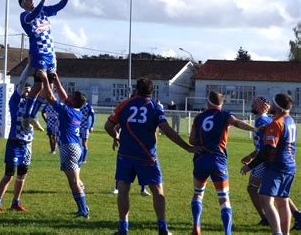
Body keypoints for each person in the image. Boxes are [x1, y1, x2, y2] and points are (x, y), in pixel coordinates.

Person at [104, 77, 197, 235]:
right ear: (151, 91)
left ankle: (123, 228)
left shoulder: (125, 104)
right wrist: (186, 147)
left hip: (126, 155)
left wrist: (117, 137)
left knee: (124, 188)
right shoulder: (154, 106)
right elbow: (167, 130)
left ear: (136, 89)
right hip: (147, 156)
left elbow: (108, 126)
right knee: (157, 191)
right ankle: (162, 228)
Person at [190, 91, 256, 235]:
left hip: (201, 160)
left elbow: (192, 140)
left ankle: (196, 227)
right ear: (222, 104)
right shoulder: (224, 115)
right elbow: (237, 122)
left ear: (207, 102)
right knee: (224, 198)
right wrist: (255, 129)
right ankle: (227, 232)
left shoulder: (199, 117)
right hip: (218, 160)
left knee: (198, 194)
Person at [18, 0, 75, 131]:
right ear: (23, 5)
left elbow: (57, 7)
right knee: (42, 80)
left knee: (41, 85)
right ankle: (30, 115)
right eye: (27, 0)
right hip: (39, 52)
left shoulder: (43, 11)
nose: (31, 0)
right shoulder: (25, 15)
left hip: (51, 53)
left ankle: (29, 115)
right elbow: (33, 15)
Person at [241, 93, 297, 235]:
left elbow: (267, 150)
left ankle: (277, 232)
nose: (270, 106)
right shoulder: (290, 120)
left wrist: (250, 165)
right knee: (283, 201)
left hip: (276, 166)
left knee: (266, 200)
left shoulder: (276, 123)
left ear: (277, 107)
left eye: (272, 104)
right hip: (290, 166)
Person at [40, 72, 89, 218]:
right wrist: (56, 80)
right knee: (77, 180)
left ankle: (83, 210)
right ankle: (83, 207)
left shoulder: (67, 111)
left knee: (73, 181)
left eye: (71, 97)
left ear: (73, 102)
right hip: (77, 147)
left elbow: (50, 97)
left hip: (69, 147)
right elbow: (64, 97)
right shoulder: (77, 111)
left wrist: (44, 80)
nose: (68, 97)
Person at [0, 64, 34, 214]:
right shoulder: (15, 102)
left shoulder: (32, 105)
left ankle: (16, 202)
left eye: (29, 92)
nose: (27, 94)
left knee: (22, 175)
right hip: (14, 142)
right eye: (25, 91)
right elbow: (22, 81)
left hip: (28, 145)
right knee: (9, 175)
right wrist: (29, 66)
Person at [240, 96, 272, 225]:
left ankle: (266, 218)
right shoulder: (262, 119)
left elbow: (266, 146)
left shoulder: (262, 121)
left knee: (253, 189)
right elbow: (261, 145)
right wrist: (251, 155)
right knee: (270, 192)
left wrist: (253, 161)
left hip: (263, 161)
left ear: (261, 106)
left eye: (255, 104)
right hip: (264, 158)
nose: (252, 105)